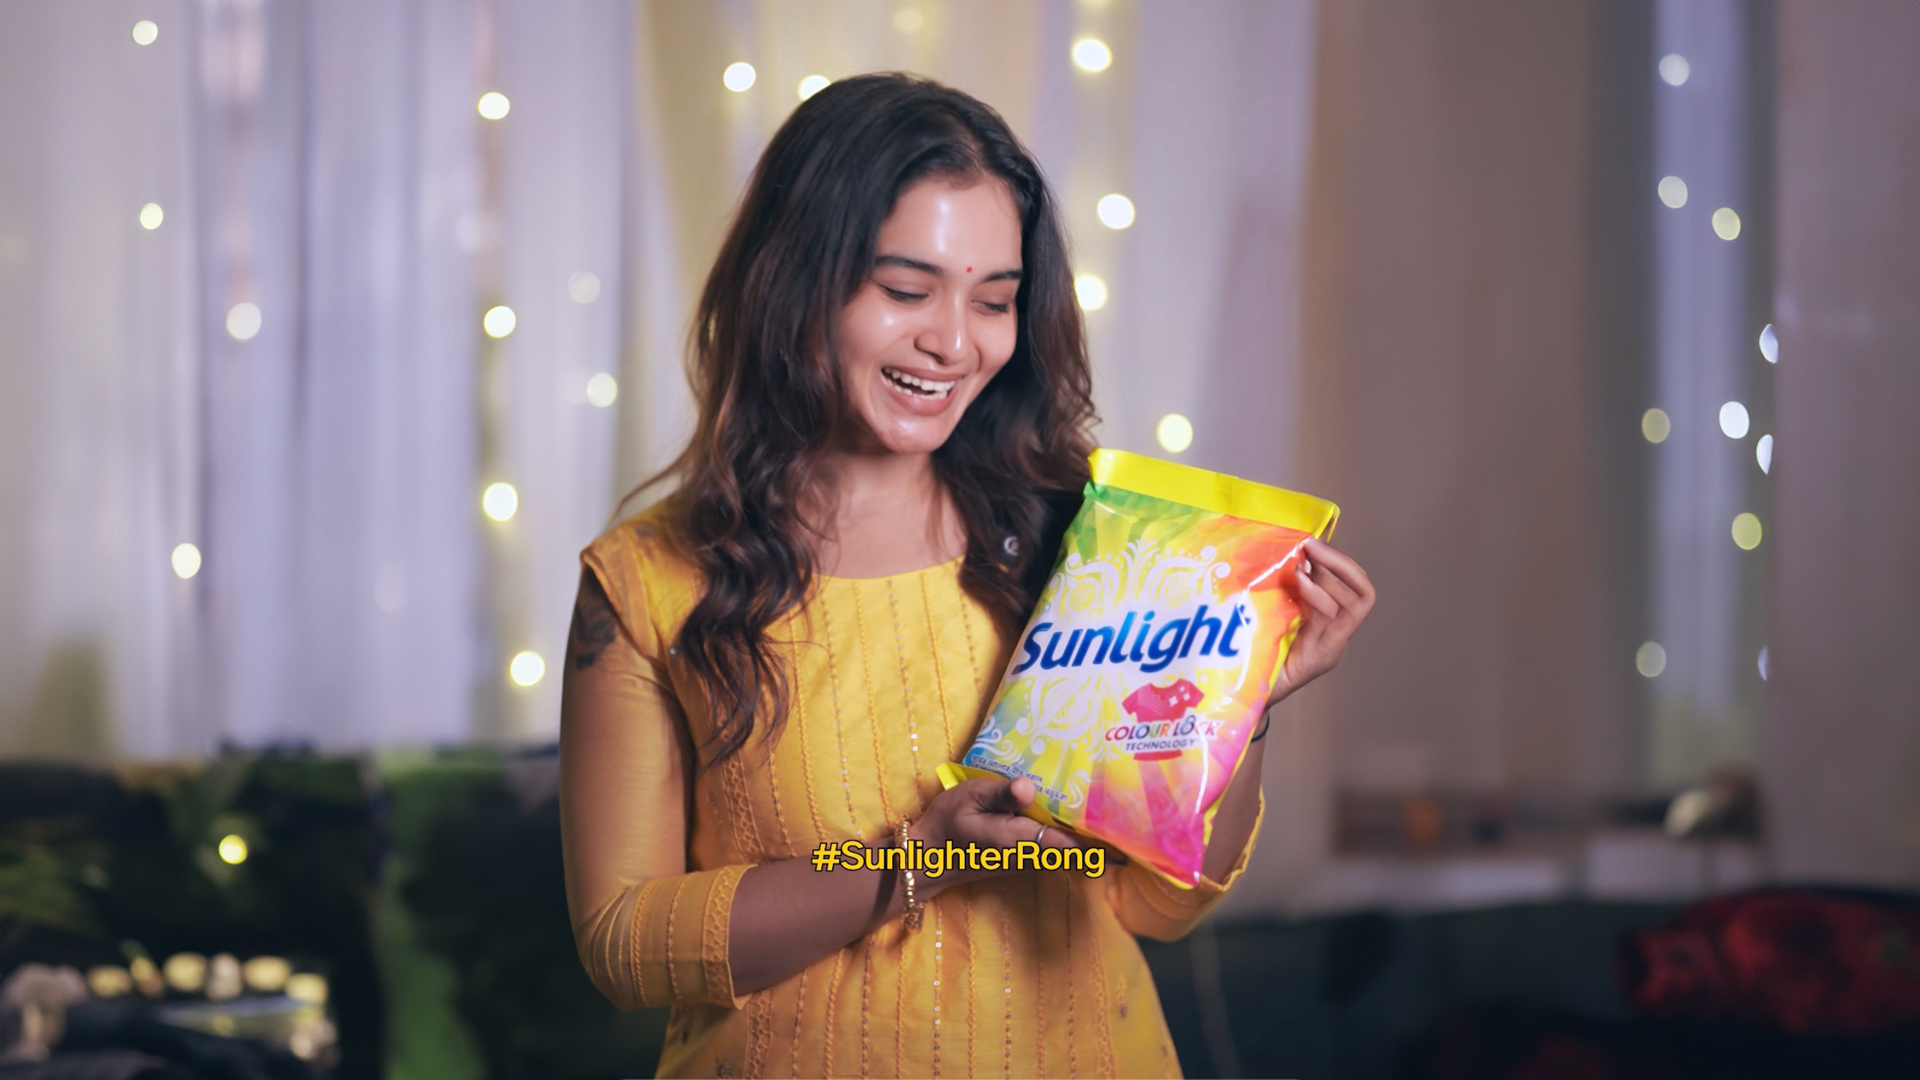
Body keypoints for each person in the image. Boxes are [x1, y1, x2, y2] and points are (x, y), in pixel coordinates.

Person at [559, 73, 1375, 1079]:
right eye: (906, 291)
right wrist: (915, 861)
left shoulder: (1089, 542)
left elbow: (1156, 905)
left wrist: (1240, 704)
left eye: (994, 299)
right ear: (792, 281)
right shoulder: (647, 582)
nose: (953, 342)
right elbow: (624, 940)